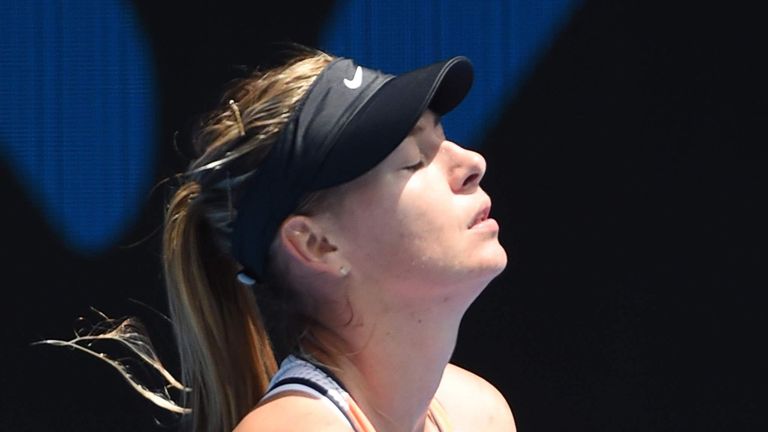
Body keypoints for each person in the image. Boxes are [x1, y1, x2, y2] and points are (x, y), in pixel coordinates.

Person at [153, 45, 513, 431]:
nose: (473, 164)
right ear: (317, 244)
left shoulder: (478, 413)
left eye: (442, 136)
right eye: (413, 160)